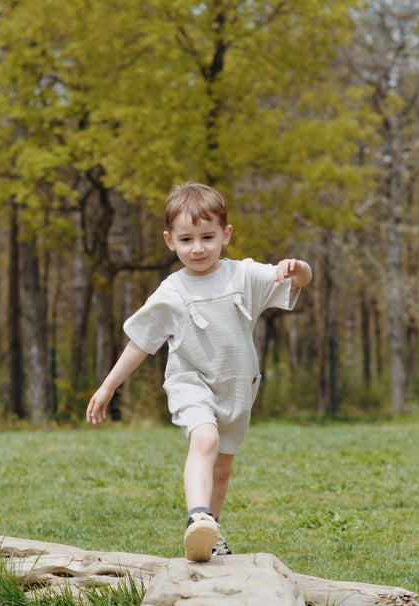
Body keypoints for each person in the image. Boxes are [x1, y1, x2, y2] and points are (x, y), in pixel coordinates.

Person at [86, 182, 312, 562]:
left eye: (207, 237)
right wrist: (108, 387)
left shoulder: (243, 276)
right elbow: (141, 342)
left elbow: (296, 280)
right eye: (187, 239)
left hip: (238, 388)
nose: (198, 248)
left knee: (222, 467)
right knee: (204, 441)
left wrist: (298, 267)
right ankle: (197, 517)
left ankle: (210, 534)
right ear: (169, 241)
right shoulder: (171, 292)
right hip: (190, 383)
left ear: (225, 235)